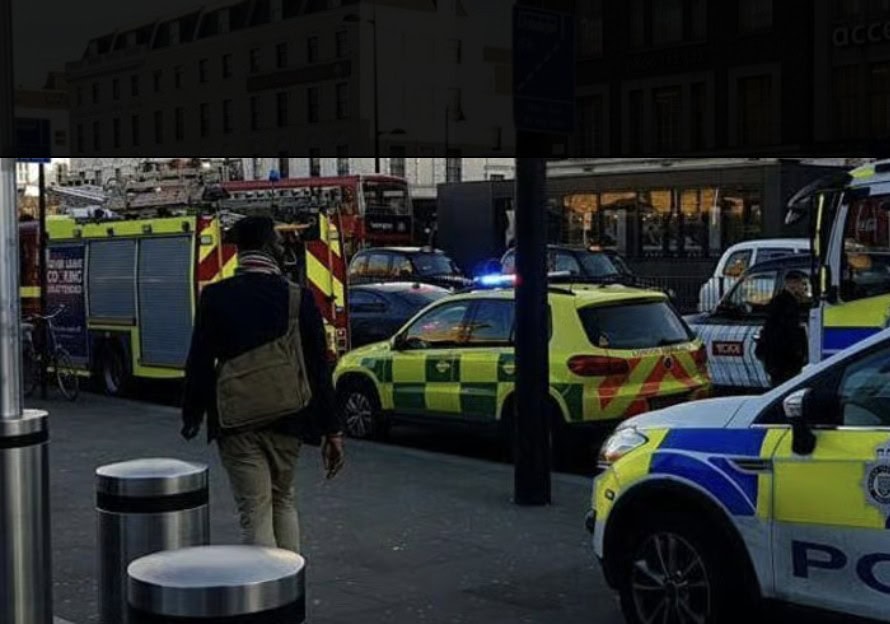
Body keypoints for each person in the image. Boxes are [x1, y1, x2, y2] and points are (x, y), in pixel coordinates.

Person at [181, 216, 344, 554]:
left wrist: (192, 415)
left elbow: (199, 362)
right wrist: (332, 430)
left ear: (239, 250)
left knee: (255, 511)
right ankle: (289, 586)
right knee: (283, 500)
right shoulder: (299, 298)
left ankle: (264, 593)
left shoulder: (215, 297)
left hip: (236, 421)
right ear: (271, 246)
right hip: (289, 416)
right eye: (279, 241)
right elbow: (317, 367)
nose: (283, 245)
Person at [756, 270, 810, 388]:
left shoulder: (783, 301)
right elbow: (789, 332)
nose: (804, 288)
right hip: (784, 358)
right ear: (793, 284)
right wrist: (799, 352)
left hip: (778, 357)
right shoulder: (787, 304)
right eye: (802, 284)